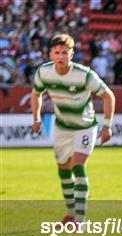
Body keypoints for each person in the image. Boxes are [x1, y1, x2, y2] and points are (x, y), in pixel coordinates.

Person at [31, 34, 115, 225]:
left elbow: (108, 96)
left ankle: (80, 219)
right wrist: (36, 118)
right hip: (62, 128)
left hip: (85, 127)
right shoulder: (43, 72)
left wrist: (107, 126)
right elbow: (36, 94)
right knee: (63, 170)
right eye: (57, 53)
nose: (61, 56)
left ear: (72, 54)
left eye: (65, 53)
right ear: (51, 55)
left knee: (78, 166)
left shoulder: (84, 74)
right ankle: (70, 213)